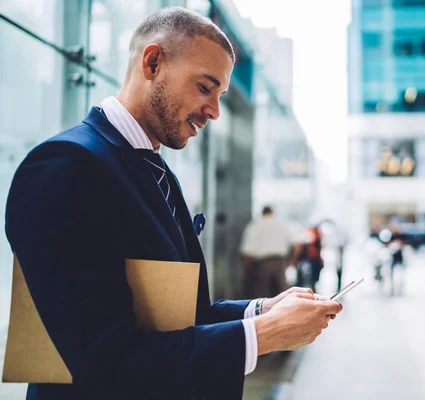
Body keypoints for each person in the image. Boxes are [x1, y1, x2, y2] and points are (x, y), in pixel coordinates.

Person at [5, 8, 342, 400]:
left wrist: (261, 311)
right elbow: (103, 359)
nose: (214, 111)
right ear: (152, 62)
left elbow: (173, 320)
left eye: (220, 95)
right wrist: (262, 336)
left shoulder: (155, 170)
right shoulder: (65, 166)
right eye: (204, 87)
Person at [240, 206, 298, 298]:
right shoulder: (282, 224)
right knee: (282, 295)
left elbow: (247, 253)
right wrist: (290, 263)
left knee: (263, 296)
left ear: (262, 213)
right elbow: (296, 246)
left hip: (262, 264)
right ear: (272, 212)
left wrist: (247, 270)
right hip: (280, 263)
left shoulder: (254, 226)